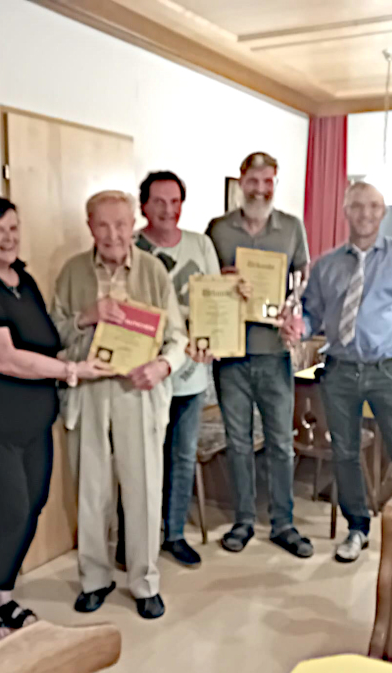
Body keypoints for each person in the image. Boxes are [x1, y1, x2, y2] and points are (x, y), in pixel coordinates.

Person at [0, 196, 110, 642]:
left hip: (34, 421)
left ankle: (4, 593)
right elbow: (4, 357)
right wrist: (73, 371)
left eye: (13, 228)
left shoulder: (24, 281)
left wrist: (95, 331)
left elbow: (46, 341)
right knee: (7, 509)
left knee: (31, 506)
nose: (8, 238)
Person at [283, 181, 392, 563]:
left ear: (383, 212)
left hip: (388, 371)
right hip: (339, 372)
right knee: (345, 453)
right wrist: (299, 327)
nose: (365, 213)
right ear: (345, 211)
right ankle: (357, 528)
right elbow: (313, 314)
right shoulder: (326, 265)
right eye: (357, 206)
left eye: (373, 206)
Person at [53, 190, 187, 619]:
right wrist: (86, 316)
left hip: (139, 391)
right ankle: (95, 578)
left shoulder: (153, 270)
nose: (112, 234)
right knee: (91, 491)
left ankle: (145, 581)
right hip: (89, 391)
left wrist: (163, 366)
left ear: (134, 226)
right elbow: (53, 333)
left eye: (121, 225)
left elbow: (178, 337)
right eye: (103, 225)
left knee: (144, 489)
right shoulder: (72, 271)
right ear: (90, 226)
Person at [206, 152, 313, 558]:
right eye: (254, 181)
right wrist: (221, 280)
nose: (261, 189)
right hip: (230, 354)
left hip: (274, 352)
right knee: (238, 443)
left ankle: (283, 523)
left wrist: (294, 310)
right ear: (241, 182)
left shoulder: (292, 227)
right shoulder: (218, 229)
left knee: (281, 443)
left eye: (268, 182)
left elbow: (302, 279)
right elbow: (203, 283)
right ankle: (244, 520)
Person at [135, 171, 220, 568]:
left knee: (183, 456)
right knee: (142, 457)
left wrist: (213, 340)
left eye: (175, 202)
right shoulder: (131, 247)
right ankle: (138, 535)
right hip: (146, 373)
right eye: (159, 201)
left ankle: (174, 534)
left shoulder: (201, 244)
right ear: (144, 206)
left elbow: (215, 300)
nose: (168, 210)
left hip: (191, 372)